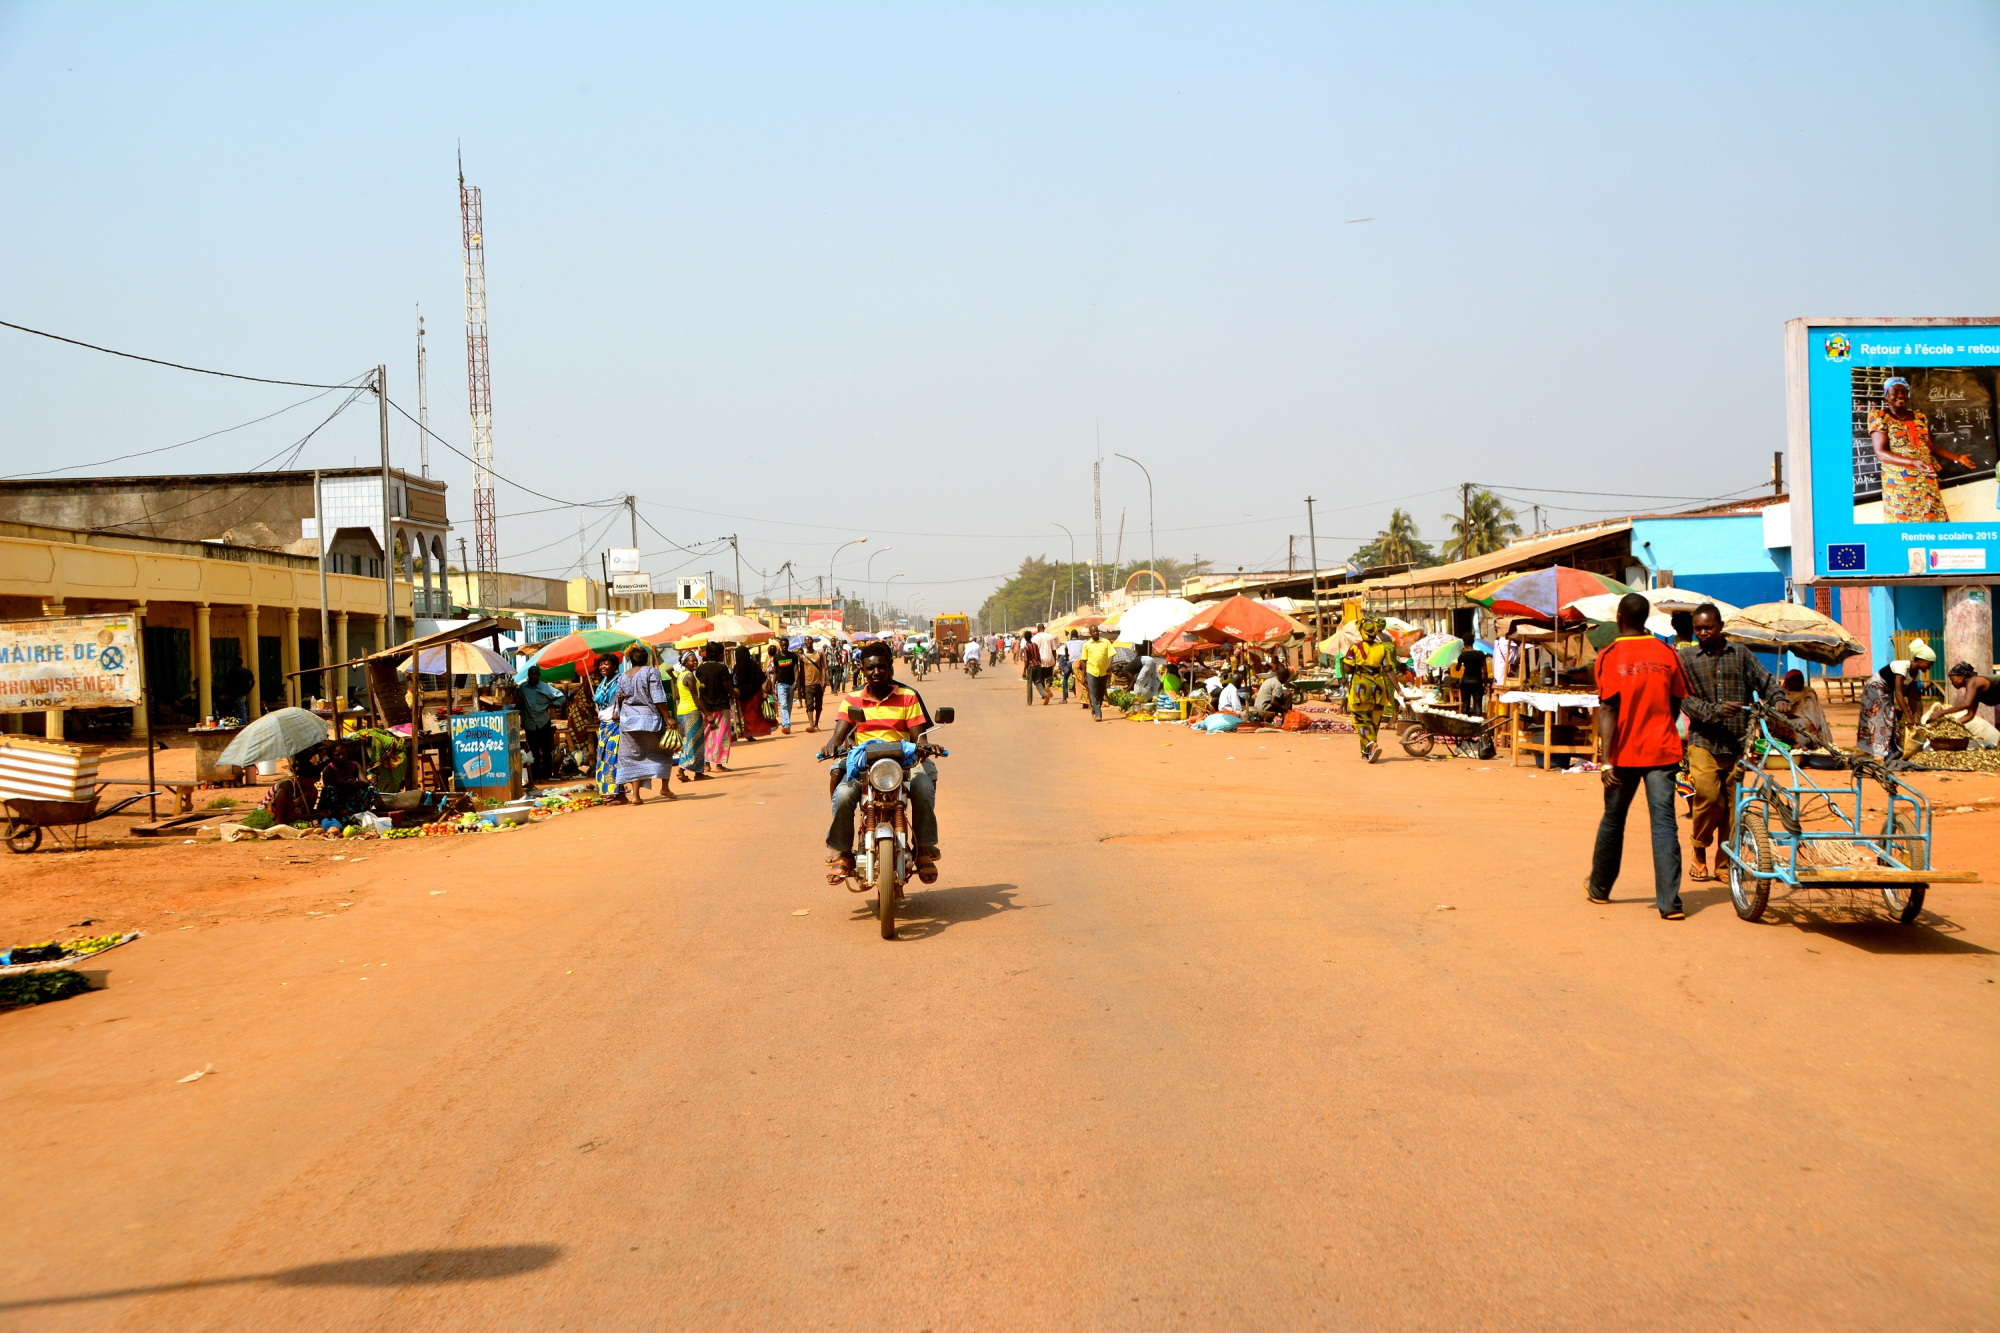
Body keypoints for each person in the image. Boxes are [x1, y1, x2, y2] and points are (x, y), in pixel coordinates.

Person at [1586, 592, 1692, 919]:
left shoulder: (1610, 655)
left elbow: (1608, 708)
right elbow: (1677, 702)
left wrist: (1606, 759)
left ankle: (1600, 890)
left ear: (1619, 617)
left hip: (1623, 755)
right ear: (1645, 619)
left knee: (1613, 820)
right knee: (1664, 824)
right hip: (1662, 750)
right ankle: (1669, 904)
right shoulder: (1666, 652)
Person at [816, 640, 940, 884]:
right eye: (870, 668)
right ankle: (843, 853)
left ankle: (923, 848)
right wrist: (832, 745)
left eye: (881, 667)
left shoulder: (908, 696)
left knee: (924, 786)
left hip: (901, 762)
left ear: (890, 667)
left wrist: (927, 745)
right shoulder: (852, 699)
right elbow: (839, 734)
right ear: (862, 669)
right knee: (841, 795)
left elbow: (919, 736)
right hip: (864, 763)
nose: (876, 672)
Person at [1677, 602, 1778, 882]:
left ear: (1721, 626)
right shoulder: (1686, 660)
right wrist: (1715, 711)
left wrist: (1779, 699)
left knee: (1734, 807)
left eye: (1708, 627)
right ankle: (1698, 850)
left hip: (1737, 741)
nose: (1703, 632)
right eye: (1698, 628)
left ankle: (1725, 864)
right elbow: (1685, 699)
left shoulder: (1742, 655)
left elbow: (1765, 681)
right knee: (1709, 798)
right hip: (1703, 741)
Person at [1870, 377, 1975, 523]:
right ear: (1886, 395)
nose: (1900, 395)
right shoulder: (1879, 417)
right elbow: (1880, 453)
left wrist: (1957, 458)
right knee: (1904, 520)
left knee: (1933, 518)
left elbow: (1929, 446)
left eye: (1904, 392)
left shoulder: (1920, 417)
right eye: (1895, 392)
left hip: (1926, 477)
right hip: (1899, 483)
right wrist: (1913, 462)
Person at [611, 643, 677, 804]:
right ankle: (665, 787)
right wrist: (668, 717)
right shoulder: (651, 672)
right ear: (646, 658)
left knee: (633, 757)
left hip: (628, 721)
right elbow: (658, 697)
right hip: (649, 720)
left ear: (630, 659)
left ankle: (635, 796)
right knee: (665, 751)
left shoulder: (623, 676)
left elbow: (619, 699)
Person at [1343, 617, 1398, 762]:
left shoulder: (1355, 648)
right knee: (1373, 722)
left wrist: (1349, 664)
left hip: (1360, 689)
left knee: (1361, 721)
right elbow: (1389, 670)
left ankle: (1372, 745)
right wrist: (1399, 689)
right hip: (1378, 689)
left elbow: (1348, 669)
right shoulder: (1382, 648)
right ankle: (1365, 753)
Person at [516, 664, 564, 784]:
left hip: (543, 722)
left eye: (535, 674)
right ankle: (536, 776)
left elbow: (561, 698)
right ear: (528, 675)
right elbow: (519, 701)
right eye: (531, 674)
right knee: (533, 751)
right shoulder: (523, 687)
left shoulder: (545, 687)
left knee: (547, 750)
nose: (532, 676)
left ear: (538, 676)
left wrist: (551, 705)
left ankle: (546, 775)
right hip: (529, 724)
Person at [694, 643, 735, 772]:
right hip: (721, 705)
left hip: (705, 707)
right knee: (722, 734)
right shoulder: (722, 668)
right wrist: (735, 693)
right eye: (721, 653)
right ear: (717, 654)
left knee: (706, 735)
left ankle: (706, 764)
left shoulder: (700, 669)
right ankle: (719, 764)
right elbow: (726, 686)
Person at [1769, 669, 1832, 748]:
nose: (1800, 682)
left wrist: (1795, 715)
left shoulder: (1808, 692)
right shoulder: (1780, 694)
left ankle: (1800, 746)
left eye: (1801, 680)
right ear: (1788, 682)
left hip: (1804, 718)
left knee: (1804, 724)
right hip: (1783, 719)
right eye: (1796, 680)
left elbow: (1811, 713)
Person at [590, 653, 623, 797]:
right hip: (604, 724)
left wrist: (618, 709)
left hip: (616, 724)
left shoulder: (620, 680)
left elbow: (624, 698)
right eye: (601, 664)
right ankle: (609, 791)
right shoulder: (603, 682)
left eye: (607, 664)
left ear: (615, 666)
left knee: (613, 759)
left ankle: (617, 792)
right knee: (603, 758)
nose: (603, 666)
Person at [671, 654, 706, 781]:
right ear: (685, 662)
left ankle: (699, 772)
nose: (695, 662)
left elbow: (670, 670)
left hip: (682, 712)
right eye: (692, 661)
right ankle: (681, 770)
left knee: (693, 742)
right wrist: (707, 714)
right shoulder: (689, 676)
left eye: (696, 660)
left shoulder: (681, 675)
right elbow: (695, 698)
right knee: (693, 743)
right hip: (692, 711)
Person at [1941, 661, 2000, 732]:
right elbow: (1969, 716)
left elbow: (1966, 704)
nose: (1952, 683)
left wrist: (1941, 712)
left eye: (1953, 680)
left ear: (1961, 677)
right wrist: (1949, 725)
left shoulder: (1974, 681)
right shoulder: (1973, 691)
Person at [1081, 626, 1116, 721]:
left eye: (1096, 631)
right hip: (1091, 671)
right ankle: (1098, 713)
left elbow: (1111, 654)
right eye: (1093, 631)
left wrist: (1109, 665)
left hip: (1103, 672)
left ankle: (1094, 709)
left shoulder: (1106, 642)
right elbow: (1084, 661)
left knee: (1100, 694)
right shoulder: (1086, 645)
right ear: (1090, 633)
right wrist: (1083, 676)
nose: (1095, 633)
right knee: (1093, 693)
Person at [769, 639, 798, 735]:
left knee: (789, 706)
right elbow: (775, 672)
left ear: (788, 645)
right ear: (780, 646)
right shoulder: (776, 657)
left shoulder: (793, 656)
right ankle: (786, 725)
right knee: (783, 705)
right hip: (781, 684)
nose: (784, 647)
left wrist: (796, 682)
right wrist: (773, 686)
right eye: (782, 645)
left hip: (791, 684)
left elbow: (796, 670)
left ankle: (786, 723)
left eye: (786, 645)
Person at [1456, 639, 1489, 718]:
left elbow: (1457, 668)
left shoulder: (1463, 655)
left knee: (1465, 704)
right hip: (1477, 681)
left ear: (1464, 643)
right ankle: (1478, 725)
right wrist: (1485, 683)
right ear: (1473, 642)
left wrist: (1461, 656)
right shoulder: (1480, 654)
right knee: (1477, 704)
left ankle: (1464, 724)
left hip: (1465, 681)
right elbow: (1485, 671)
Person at [800, 641, 828, 733]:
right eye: (806, 640)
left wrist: (823, 680)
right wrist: (801, 685)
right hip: (808, 684)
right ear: (805, 643)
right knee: (809, 705)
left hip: (818, 683)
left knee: (819, 705)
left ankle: (816, 724)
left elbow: (823, 667)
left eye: (809, 640)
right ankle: (811, 725)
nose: (808, 641)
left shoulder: (818, 654)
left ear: (812, 642)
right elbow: (801, 672)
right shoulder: (802, 657)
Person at [1031, 623, 1058, 704]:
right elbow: (1054, 649)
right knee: (1049, 675)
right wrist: (1054, 659)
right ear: (1044, 628)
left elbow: (1033, 650)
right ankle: (1048, 685)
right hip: (1049, 657)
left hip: (1039, 659)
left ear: (1038, 629)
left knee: (1040, 677)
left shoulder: (1034, 638)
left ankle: (1044, 694)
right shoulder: (1050, 636)